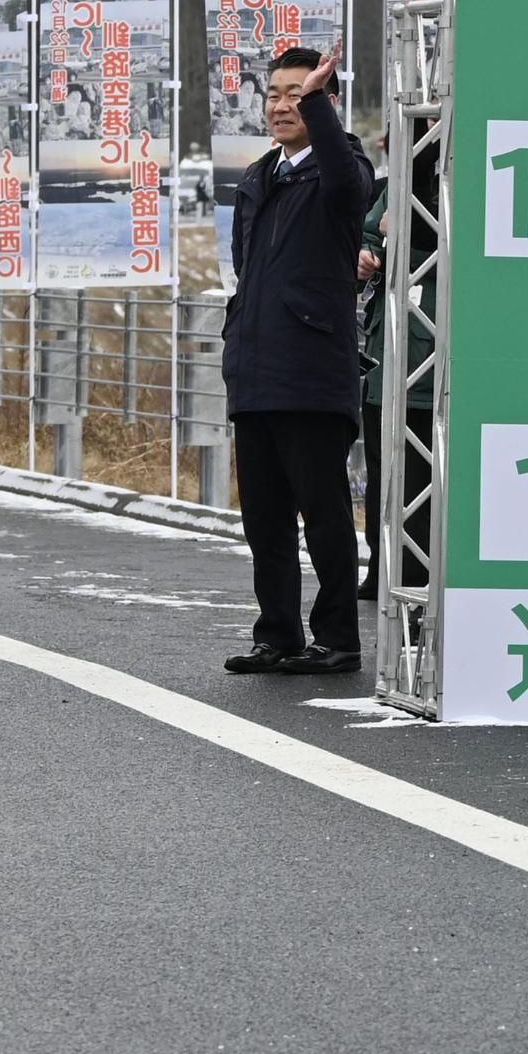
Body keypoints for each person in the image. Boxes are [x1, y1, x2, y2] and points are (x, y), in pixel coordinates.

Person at [220, 45, 373, 676]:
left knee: (325, 515)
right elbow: (245, 269)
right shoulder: (259, 176)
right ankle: (276, 634)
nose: (282, 105)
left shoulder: (343, 169)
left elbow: (347, 183)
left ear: (323, 102)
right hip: (256, 370)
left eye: (297, 95)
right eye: (276, 94)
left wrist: (318, 98)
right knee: (265, 522)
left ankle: (337, 638)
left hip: (312, 373)